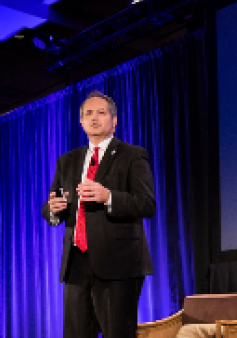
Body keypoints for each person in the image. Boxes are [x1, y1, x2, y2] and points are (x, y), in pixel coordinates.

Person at [41, 91, 156, 338]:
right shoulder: (67, 161)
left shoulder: (132, 155)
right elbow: (52, 203)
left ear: (114, 121)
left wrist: (109, 197)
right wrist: (52, 209)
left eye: (101, 113)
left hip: (118, 264)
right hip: (75, 264)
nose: (94, 119)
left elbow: (147, 203)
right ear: (81, 122)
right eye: (88, 114)